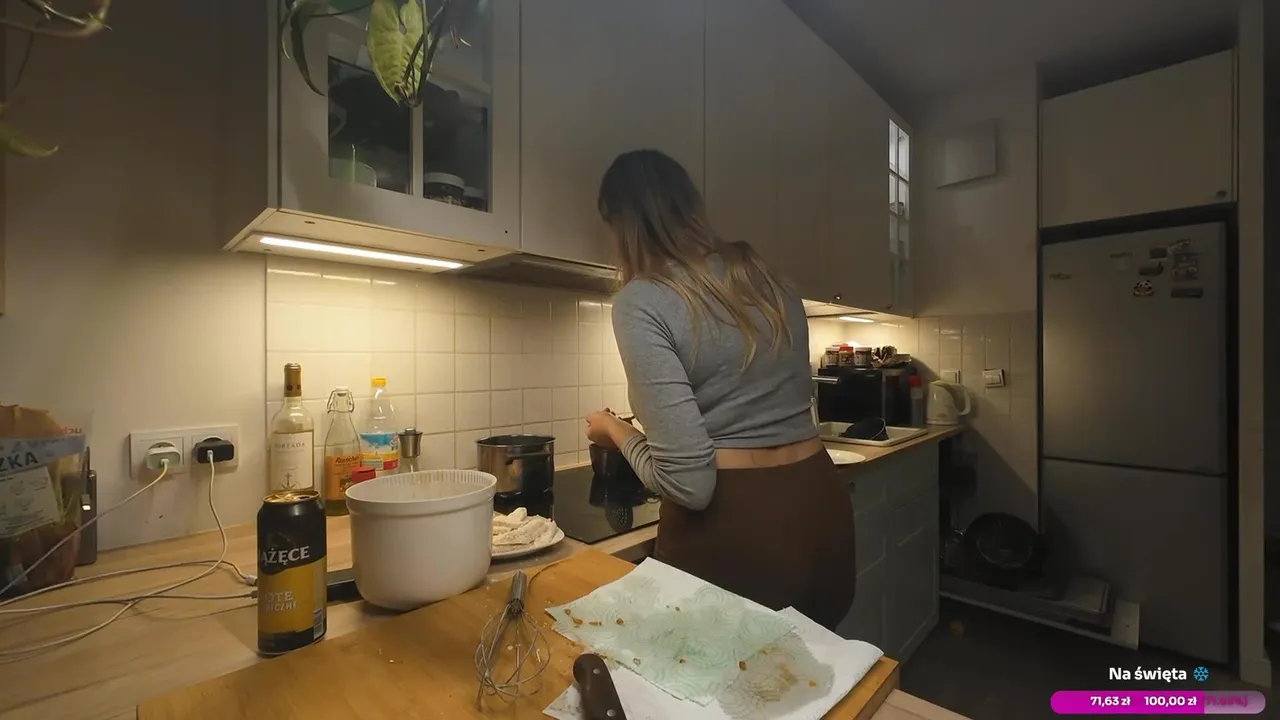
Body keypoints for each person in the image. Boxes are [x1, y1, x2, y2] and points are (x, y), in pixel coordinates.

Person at [583, 149, 857, 630]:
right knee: (808, 672)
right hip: (822, 512)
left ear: (622, 225)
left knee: (719, 675)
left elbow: (690, 484)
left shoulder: (643, 299)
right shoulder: (769, 280)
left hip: (739, 534)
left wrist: (614, 430)